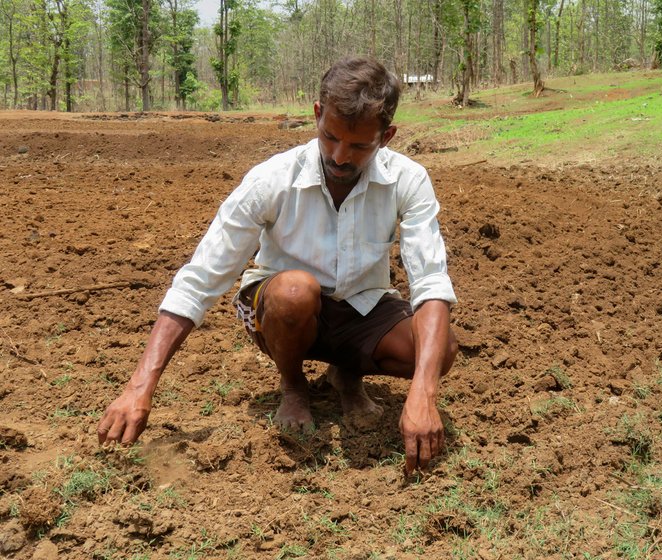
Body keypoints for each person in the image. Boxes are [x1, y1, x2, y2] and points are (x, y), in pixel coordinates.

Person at [96, 57, 458, 474]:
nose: (340, 157)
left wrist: (424, 392)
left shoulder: (408, 180)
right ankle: (293, 385)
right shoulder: (272, 179)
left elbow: (430, 279)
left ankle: (345, 374)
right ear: (317, 115)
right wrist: (140, 387)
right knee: (294, 292)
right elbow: (199, 280)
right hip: (282, 311)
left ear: (386, 136)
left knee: (441, 348)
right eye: (330, 138)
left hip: (362, 306)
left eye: (359, 147)